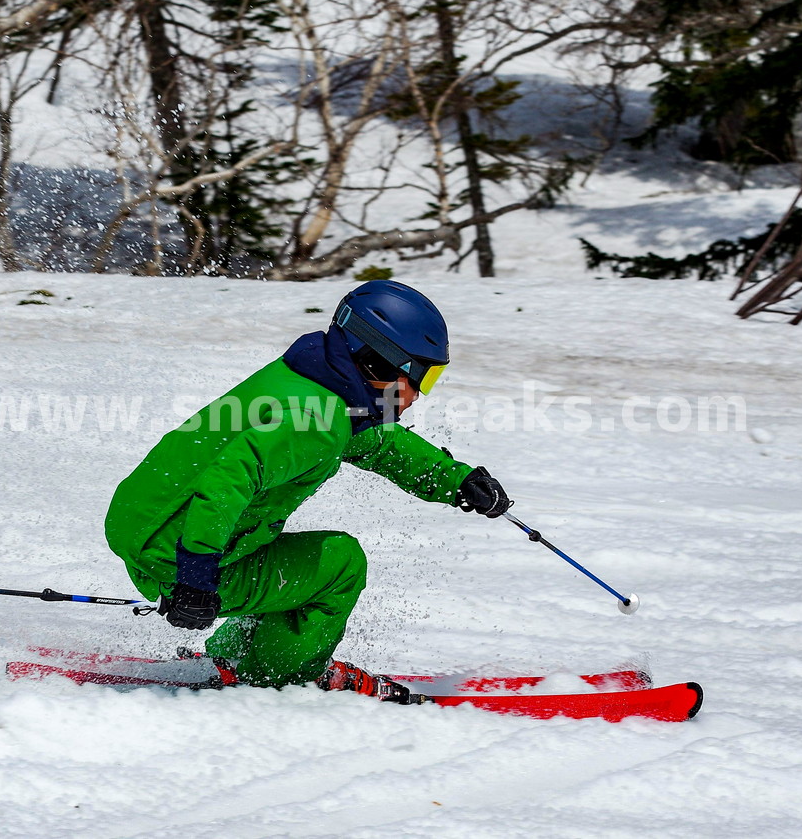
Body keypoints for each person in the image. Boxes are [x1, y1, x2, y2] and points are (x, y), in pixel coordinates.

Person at [104, 280, 510, 702]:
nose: (419, 395)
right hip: (179, 555)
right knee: (339, 565)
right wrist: (194, 573)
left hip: (146, 522)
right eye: (422, 377)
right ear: (380, 364)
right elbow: (229, 478)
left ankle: (233, 655)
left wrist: (455, 480)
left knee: (287, 560)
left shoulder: (312, 382)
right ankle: (281, 674)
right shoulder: (317, 420)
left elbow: (376, 442)